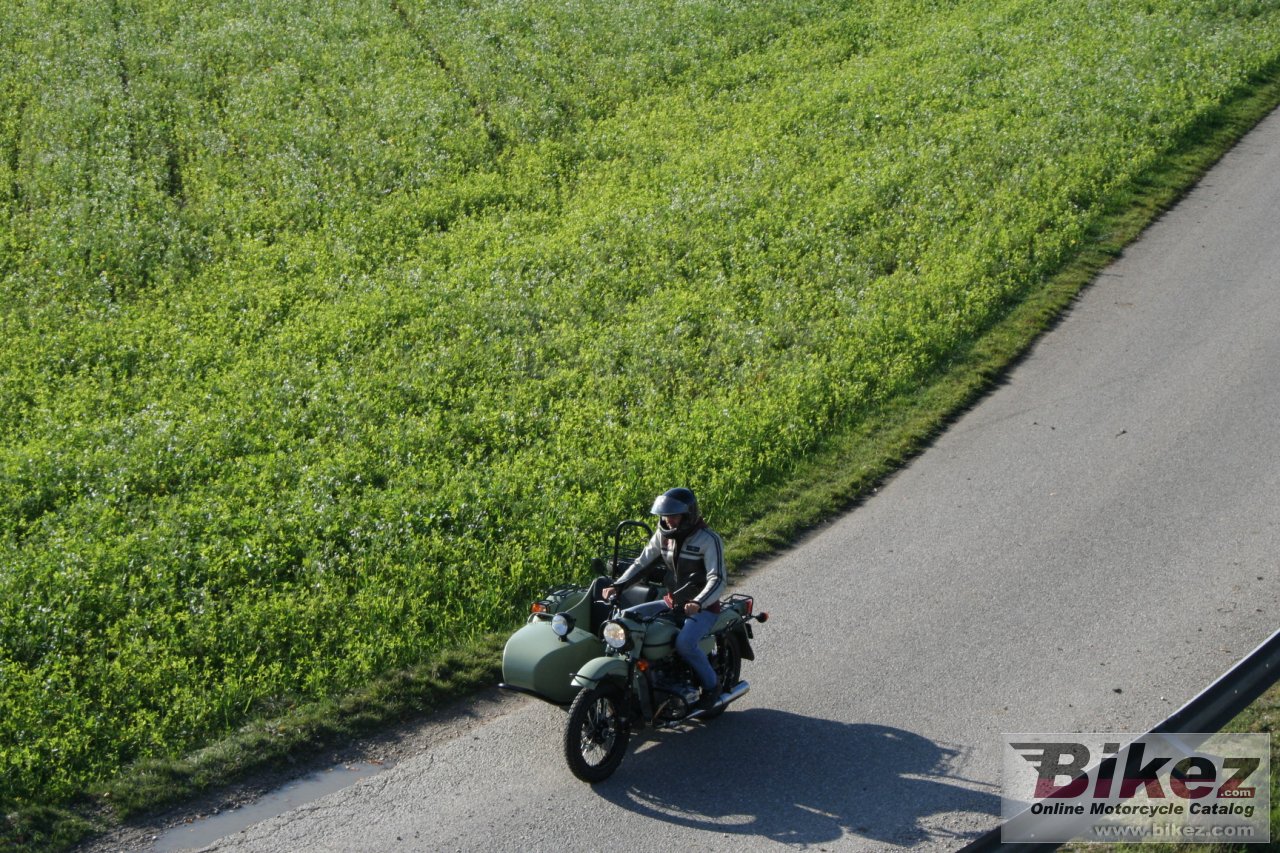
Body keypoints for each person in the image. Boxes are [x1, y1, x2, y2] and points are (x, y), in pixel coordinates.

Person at [602, 487, 725, 711]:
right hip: (671, 602)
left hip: (703, 609)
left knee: (685, 644)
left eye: (674, 516)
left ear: (688, 515)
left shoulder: (708, 540)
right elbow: (642, 563)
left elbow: (717, 578)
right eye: (665, 516)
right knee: (624, 619)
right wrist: (618, 586)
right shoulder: (664, 536)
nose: (669, 521)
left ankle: (712, 686)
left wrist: (698, 602)